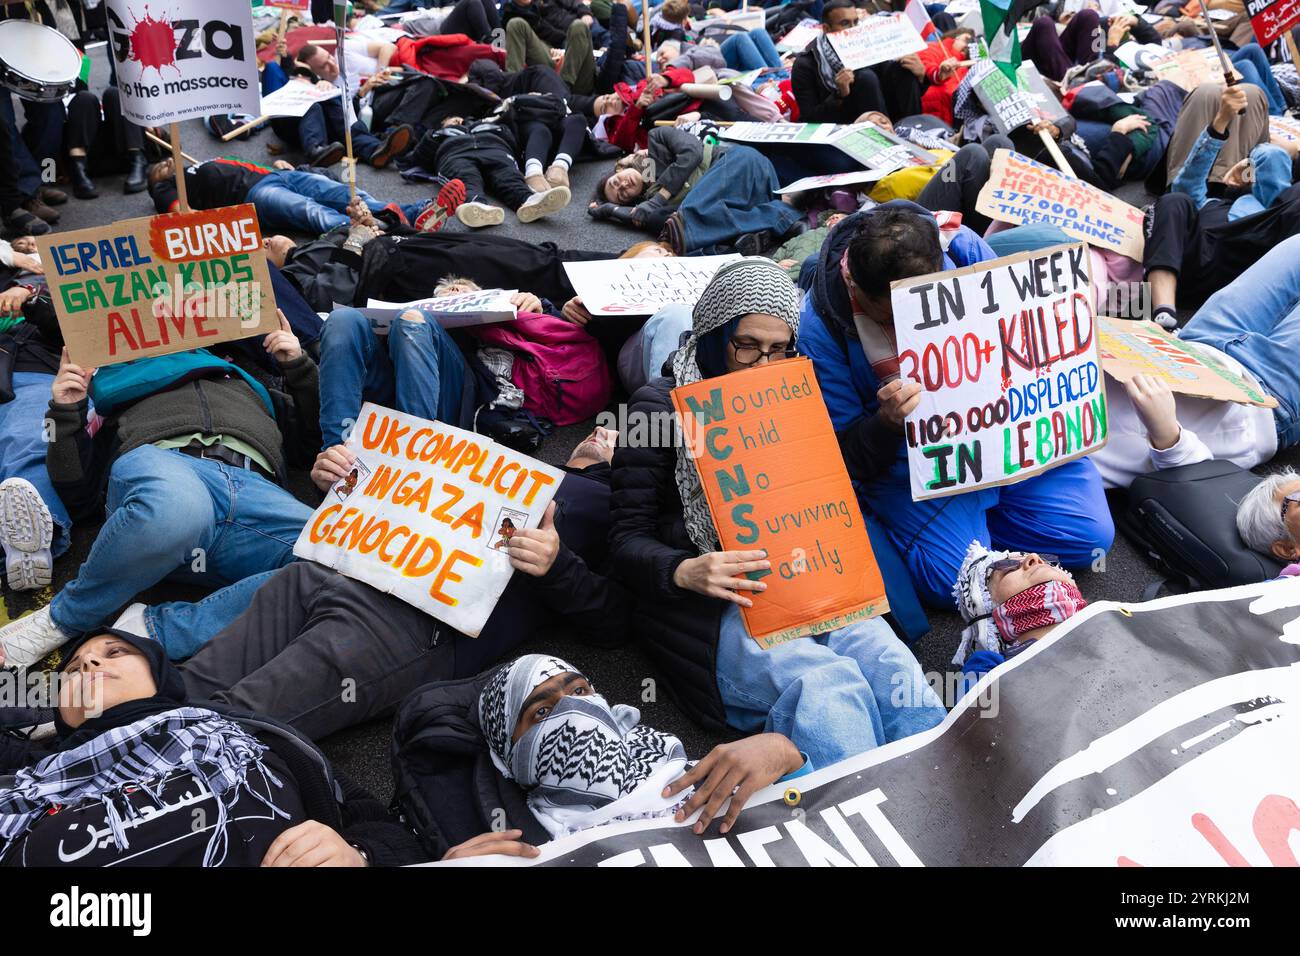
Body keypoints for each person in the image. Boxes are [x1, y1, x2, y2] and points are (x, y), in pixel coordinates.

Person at [608, 257, 946, 765]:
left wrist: (884, 423)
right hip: (713, 607)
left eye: (777, 349)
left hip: (803, 576)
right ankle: (853, 813)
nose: (761, 366)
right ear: (714, 332)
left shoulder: (786, 390)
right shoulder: (652, 408)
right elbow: (623, 539)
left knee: (886, 660)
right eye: (746, 346)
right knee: (828, 683)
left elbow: (831, 470)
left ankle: (940, 793)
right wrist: (683, 569)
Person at [797, 206, 1114, 611]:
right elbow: (846, 458)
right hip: (920, 472)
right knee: (952, 582)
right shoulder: (820, 330)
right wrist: (886, 424)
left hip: (1010, 436)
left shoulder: (963, 250)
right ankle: (964, 530)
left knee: (1089, 540)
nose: (908, 330)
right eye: (891, 317)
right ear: (855, 286)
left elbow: (1027, 330)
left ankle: (983, 526)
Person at [0, 315, 320, 670]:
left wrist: (298, 367)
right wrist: (66, 409)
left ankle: (157, 631)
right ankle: (63, 617)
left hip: (255, 491)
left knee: (342, 561)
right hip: (168, 471)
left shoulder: (246, 382)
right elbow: (77, 491)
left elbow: (309, 447)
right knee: (179, 510)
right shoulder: (110, 391)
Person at [0, 630, 428, 867]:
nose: (91, 664)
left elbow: (394, 833)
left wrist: (358, 856)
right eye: (73, 670)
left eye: (114, 652)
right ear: (61, 711)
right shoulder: (32, 779)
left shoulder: (260, 737)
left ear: (161, 676)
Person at [474, 654, 812, 842]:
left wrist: (787, 759)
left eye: (579, 692)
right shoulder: (530, 848)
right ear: (510, 757)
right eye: (542, 712)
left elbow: (817, 819)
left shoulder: (705, 771)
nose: (574, 711)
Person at [589, 123, 802, 255]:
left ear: (620, 169)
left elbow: (692, 153)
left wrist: (659, 199)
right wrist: (609, 210)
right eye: (622, 194)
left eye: (617, 182)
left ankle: (717, 242)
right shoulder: (649, 200)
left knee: (679, 224)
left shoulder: (657, 139)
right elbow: (642, 217)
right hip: (748, 201)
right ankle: (778, 219)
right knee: (666, 222)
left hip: (745, 167)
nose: (624, 185)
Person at [147, 156, 461, 235]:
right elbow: (181, 213)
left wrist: (279, 167)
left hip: (276, 175)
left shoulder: (200, 164)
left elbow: (243, 166)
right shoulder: (164, 186)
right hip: (252, 195)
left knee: (347, 193)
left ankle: (414, 212)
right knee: (310, 212)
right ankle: (374, 232)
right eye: (162, 165)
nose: (167, 162)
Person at [952, 544, 1088, 689]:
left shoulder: (1108, 623)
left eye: (1049, 562)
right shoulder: (987, 670)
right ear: (987, 609)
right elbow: (977, 710)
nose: (1035, 557)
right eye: (1010, 567)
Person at [403, 116, 572, 227]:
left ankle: (529, 200)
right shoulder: (437, 135)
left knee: (507, 174)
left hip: (494, 149)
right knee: (465, 179)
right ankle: (477, 205)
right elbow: (418, 157)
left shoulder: (491, 125)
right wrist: (432, 135)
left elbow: (513, 141)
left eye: (459, 118)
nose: (458, 121)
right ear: (443, 123)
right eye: (452, 120)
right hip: (455, 154)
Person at [790, 1, 924, 124]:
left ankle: (914, 130)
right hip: (845, 124)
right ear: (826, 28)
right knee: (865, 77)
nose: (853, 29)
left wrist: (922, 75)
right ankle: (884, 138)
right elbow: (810, 118)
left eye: (856, 22)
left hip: (886, 111)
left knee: (902, 68)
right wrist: (839, 95)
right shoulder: (805, 64)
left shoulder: (868, 43)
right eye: (845, 24)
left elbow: (894, 80)